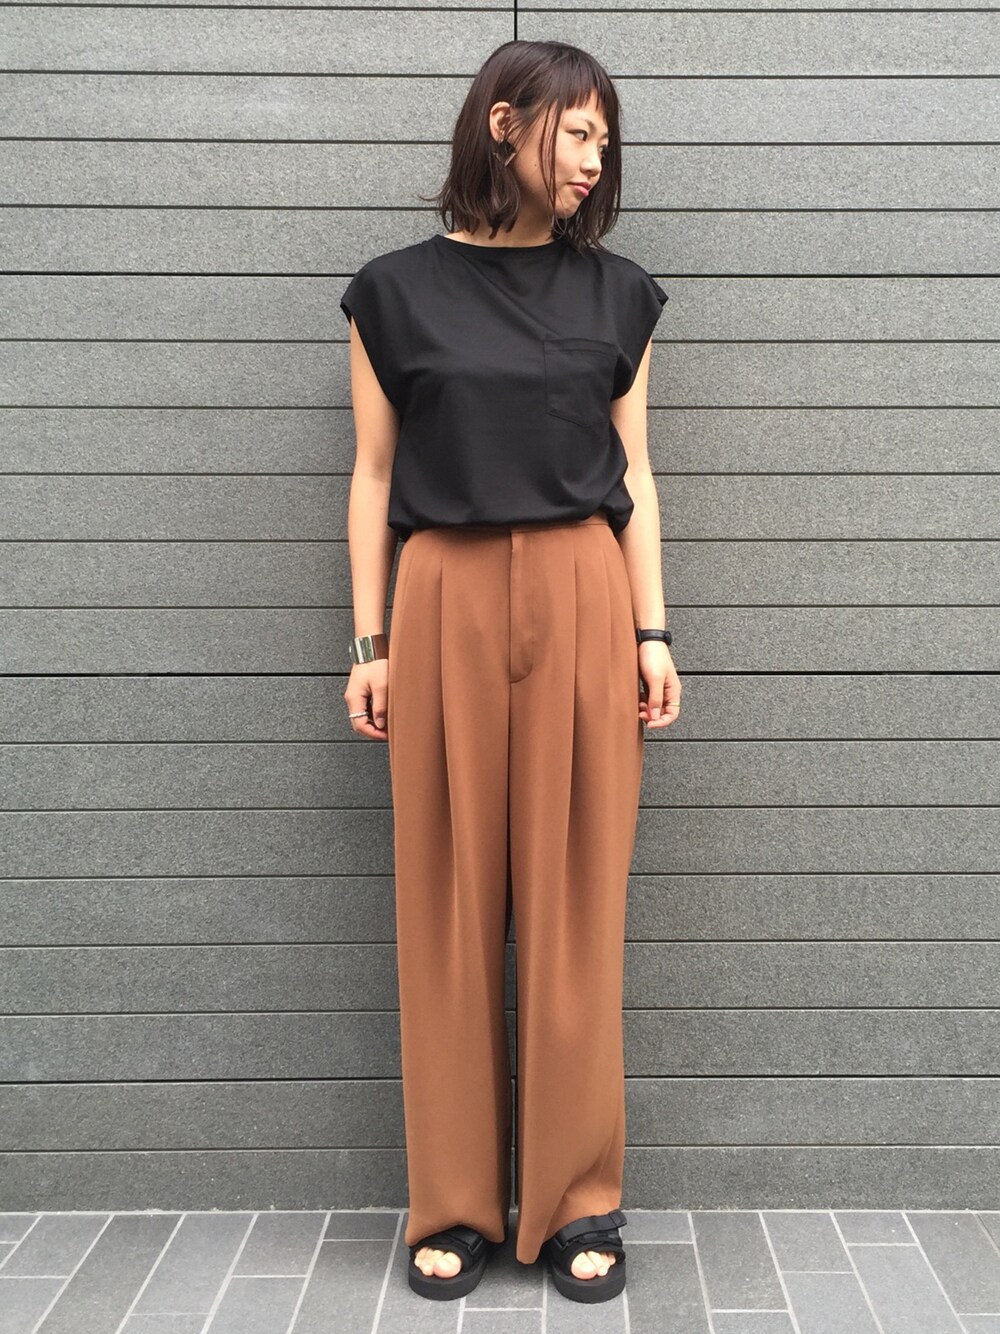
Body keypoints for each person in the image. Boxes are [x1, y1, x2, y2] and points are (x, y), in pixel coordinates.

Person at [340, 39, 681, 1305]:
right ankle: (453, 1201)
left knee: (577, 898)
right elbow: (374, 474)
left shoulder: (619, 295)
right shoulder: (392, 292)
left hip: (587, 595)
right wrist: (369, 641)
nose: (594, 160)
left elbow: (633, 473)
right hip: (441, 598)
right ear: (502, 124)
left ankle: (579, 1196)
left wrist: (652, 629)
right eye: (576, 131)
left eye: (604, 140)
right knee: (445, 900)